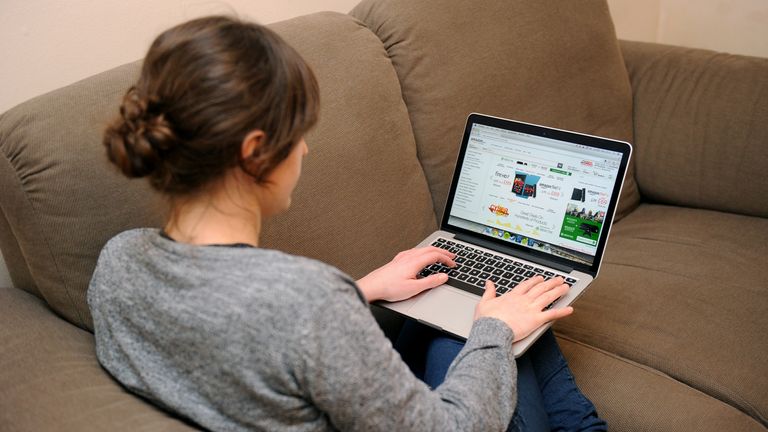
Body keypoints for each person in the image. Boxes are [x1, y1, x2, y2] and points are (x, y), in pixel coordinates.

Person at [88, 16, 605, 432]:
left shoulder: (118, 262)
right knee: (484, 319)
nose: (306, 149)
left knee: (489, 302)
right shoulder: (311, 302)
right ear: (254, 153)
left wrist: (366, 288)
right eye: (298, 134)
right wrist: (492, 332)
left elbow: (238, 331)